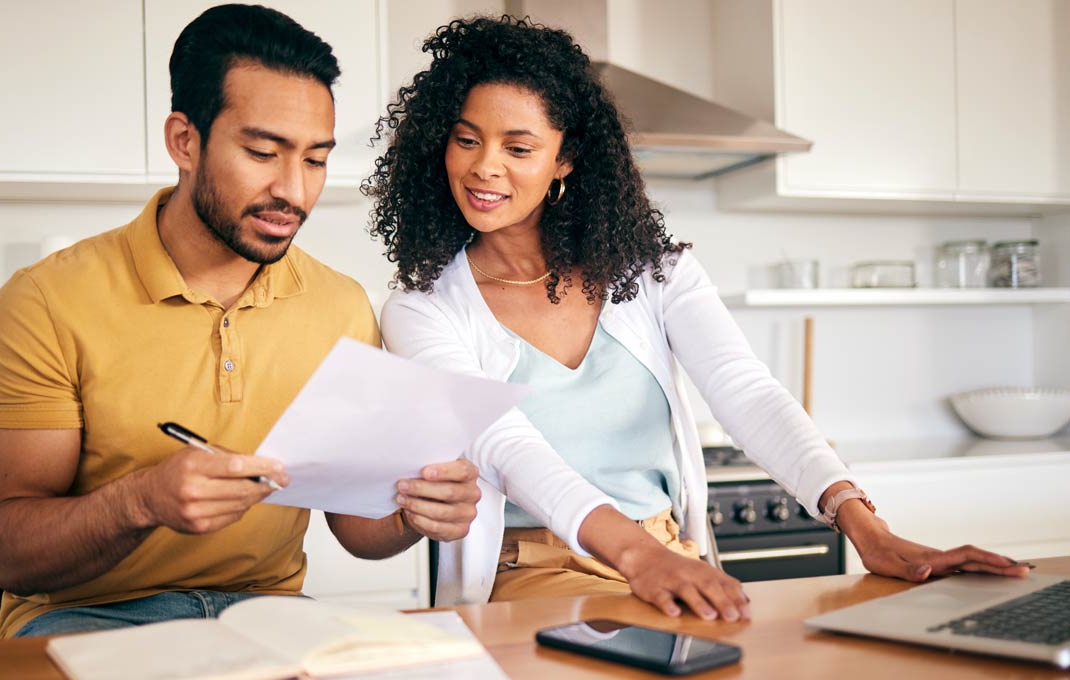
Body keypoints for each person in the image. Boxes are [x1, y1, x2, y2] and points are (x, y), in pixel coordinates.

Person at [363, 15, 1029, 622]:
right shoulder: (422, 309)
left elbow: (748, 393)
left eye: (518, 147)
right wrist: (635, 557)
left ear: (563, 160)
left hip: (669, 555)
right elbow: (506, 447)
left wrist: (867, 531)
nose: (485, 167)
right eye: (467, 140)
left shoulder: (654, 272)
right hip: (535, 574)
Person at [0, 4, 480, 639]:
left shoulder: (341, 306)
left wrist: (417, 511)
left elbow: (356, 530)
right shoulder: (46, 301)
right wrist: (141, 501)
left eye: (315, 160)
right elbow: (7, 554)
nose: (294, 191)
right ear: (185, 141)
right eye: (263, 152)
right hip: (86, 619)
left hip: (270, 617)